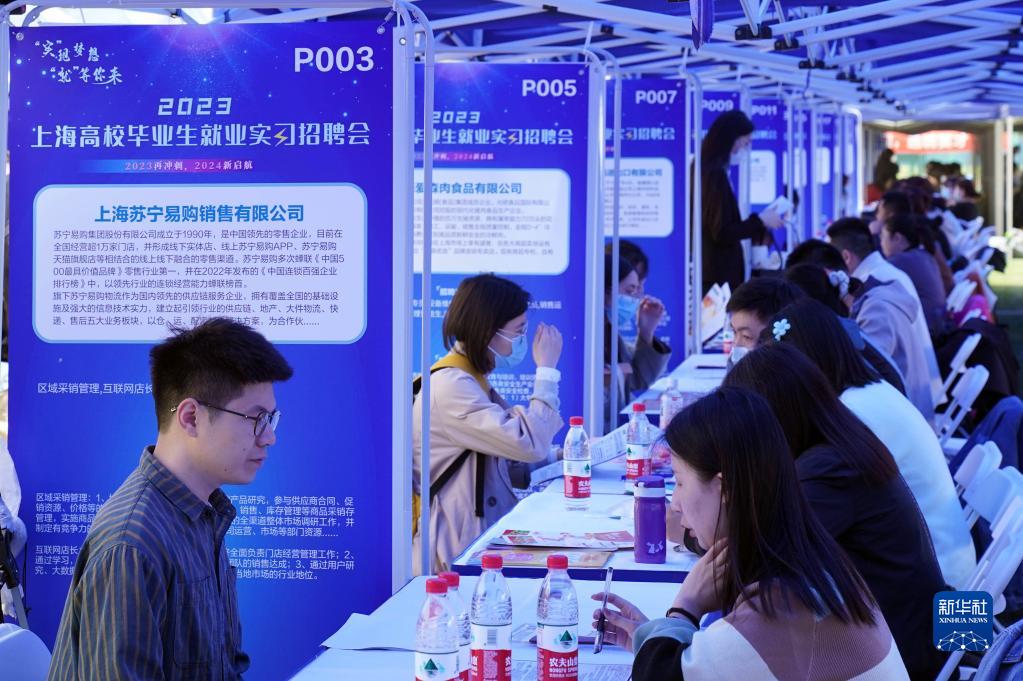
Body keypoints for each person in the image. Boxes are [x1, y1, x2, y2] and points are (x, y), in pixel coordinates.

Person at [594, 387, 909, 681]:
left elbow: (659, 676)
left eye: (679, 482)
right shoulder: (810, 564)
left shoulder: (778, 607)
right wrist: (659, 639)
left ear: (725, 487)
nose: (674, 503)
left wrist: (684, 608)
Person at [49, 318, 293, 679]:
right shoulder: (131, 544)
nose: (269, 437)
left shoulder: (204, 513)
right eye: (256, 418)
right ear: (191, 417)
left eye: (271, 419)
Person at [723, 343, 947, 679]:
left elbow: (763, 562)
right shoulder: (841, 445)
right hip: (913, 626)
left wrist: (699, 523)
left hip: (903, 653)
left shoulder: (829, 472)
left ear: (773, 419)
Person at [764, 299, 976, 589]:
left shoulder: (853, 414)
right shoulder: (867, 392)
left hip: (939, 588)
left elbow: (797, 531)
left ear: (806, 366)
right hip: (942, 565)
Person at [413, 274, 564, 572]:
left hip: (468, 540)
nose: (523, 340)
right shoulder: (451, 386)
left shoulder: (468, 379)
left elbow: (502, 460)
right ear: (488, 331)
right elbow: (527, 444)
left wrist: (563, 457)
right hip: (452, 553)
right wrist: (546, 371)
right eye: (519, 331)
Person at [807, 229, 942, 416]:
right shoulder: (881, 284)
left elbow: (862, 376)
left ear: (845, 257)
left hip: (906, 415)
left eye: (884, 235)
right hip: (916, 406)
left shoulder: (876, 305)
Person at [700, 110, 784, 293]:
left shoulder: (711, 171)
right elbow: (721, 231)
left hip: (717, 274)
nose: (745, 149)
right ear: (731, 139)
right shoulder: (713, 175)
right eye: (745, 143)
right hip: (717, 277)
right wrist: (760, 221)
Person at [604, 254, 670, 432]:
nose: (635, 299)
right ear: (605, 290)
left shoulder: (609, 332)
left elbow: (636, 380)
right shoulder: (585, 336)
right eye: (630, 291)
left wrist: (646, 331)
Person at [881, 213, 950, 336]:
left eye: (883, 236)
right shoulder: (924, 255)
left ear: (897, 238)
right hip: (938, 329)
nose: (881, 243)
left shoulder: (900, 261)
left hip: (928, 334)